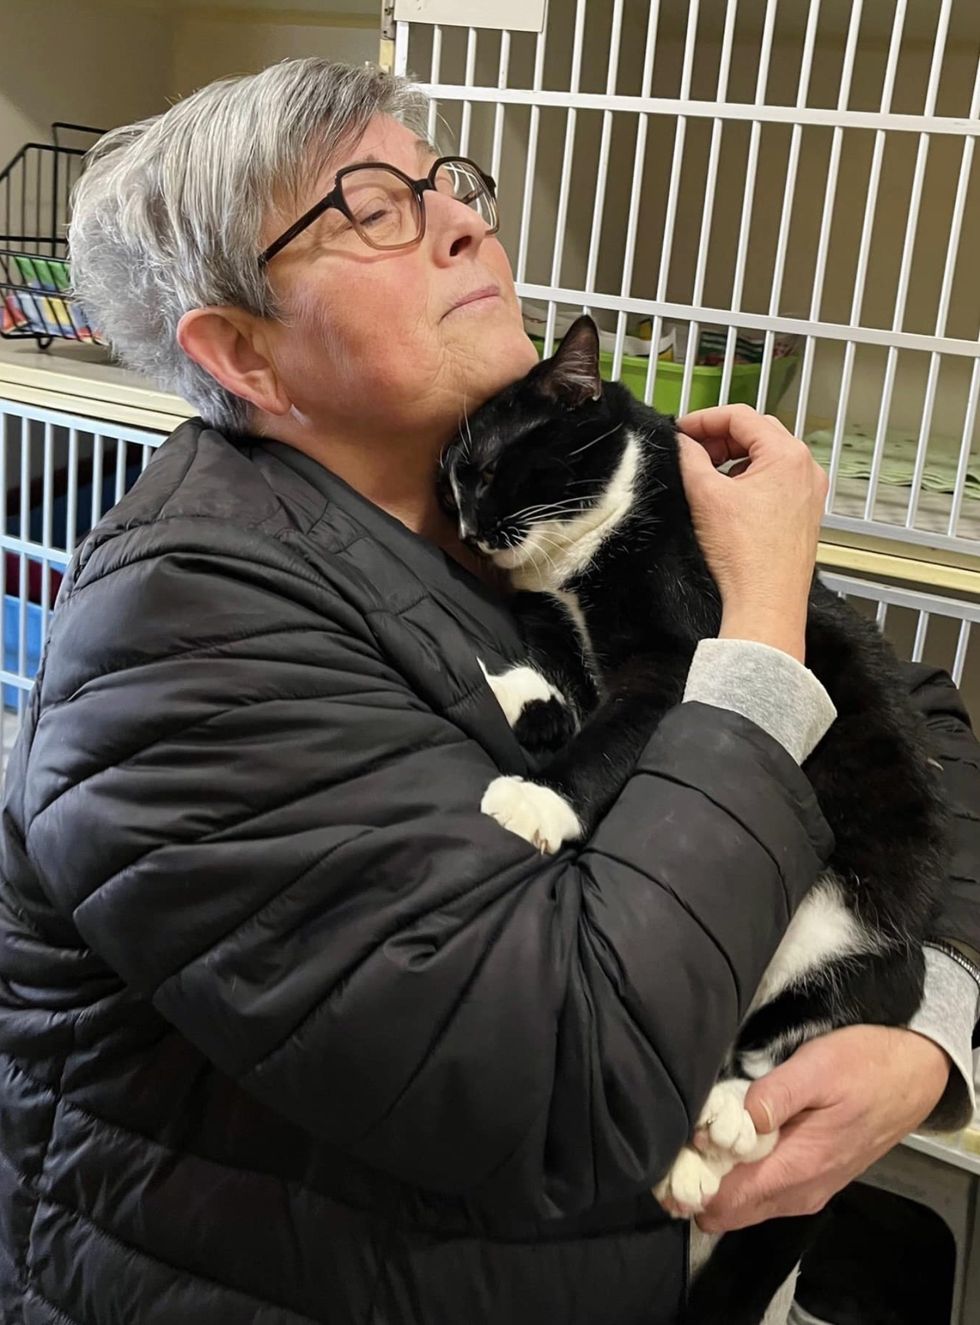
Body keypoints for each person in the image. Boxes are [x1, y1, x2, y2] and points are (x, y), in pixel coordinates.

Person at [0, 58, 977, 1325]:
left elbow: (915, 722)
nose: (465, 221)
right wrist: (760, 632)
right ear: (243, 352)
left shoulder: (518, 476)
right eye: (371, 209)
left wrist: (925, 1027)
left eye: (445, 184)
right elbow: (570, 1084)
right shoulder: (179, 637)